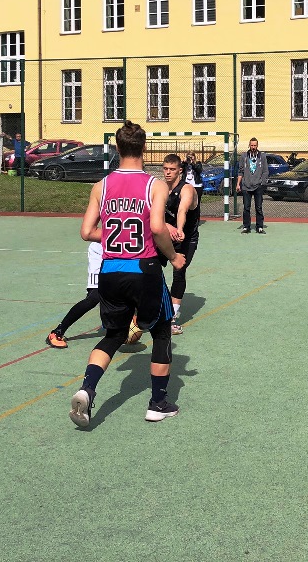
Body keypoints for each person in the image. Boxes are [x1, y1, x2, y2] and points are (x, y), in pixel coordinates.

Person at [68, 121, 186, 428]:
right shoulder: (154, 185)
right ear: (144, 148)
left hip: (109, 271)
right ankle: (157, 403)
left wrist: (113, 236)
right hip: (143, 269)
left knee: (114, 335)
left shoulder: (101, 186)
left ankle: (87, 389)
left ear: (117, 148)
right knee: (161, 331)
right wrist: (173, 257)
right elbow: (157, 228)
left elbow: (86, 232)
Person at [163, 153, 200, 336]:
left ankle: (172, 318)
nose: (168, 172)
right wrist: (168, 227)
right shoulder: (161, 188)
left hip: (186, 237)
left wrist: (178, 229)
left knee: (179, 271)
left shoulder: (187, 189)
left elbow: (182, 210)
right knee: (149, 267)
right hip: (166, 234)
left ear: (180, 170)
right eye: (165, 169)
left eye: (172, 169)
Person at [45, 240, 104, 349]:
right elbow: (87, 233)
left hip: (125, 249)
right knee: (94, 297)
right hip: (102, 250)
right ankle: (57, 332)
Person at [237, 137, 268, 233]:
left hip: (258, 186)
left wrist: (262, 182)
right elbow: (240, 171)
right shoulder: (244, 156)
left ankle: (259, 227)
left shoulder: (262, 156)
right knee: (246, 207)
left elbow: (265, 171)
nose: (253, 147)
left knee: (258, 207)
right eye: (251, 145)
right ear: (249, 145)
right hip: (246, 186)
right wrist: (238, 184)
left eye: (255, 145)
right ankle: (246, 227)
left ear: (257, 146)